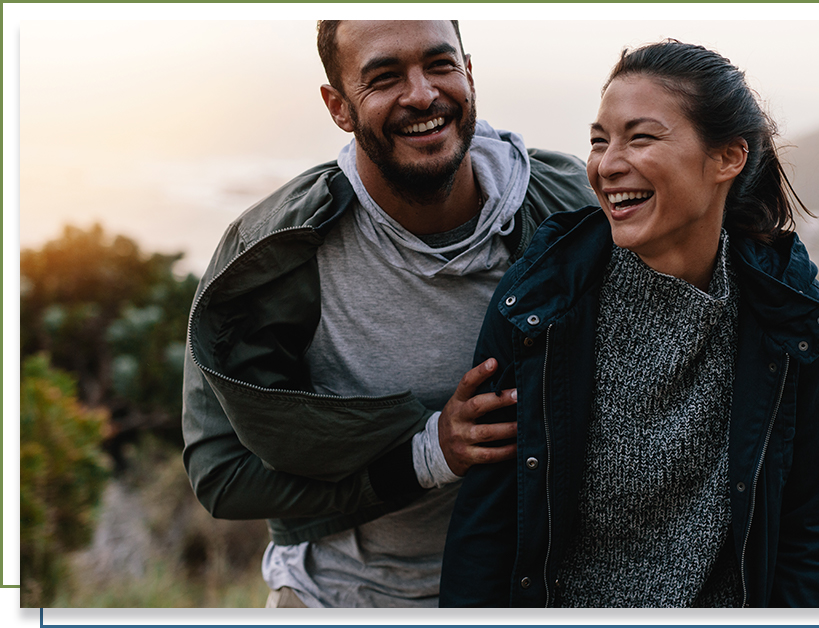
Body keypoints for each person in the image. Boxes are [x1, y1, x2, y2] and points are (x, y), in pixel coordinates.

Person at [181, 20, 596, 608]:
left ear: (470, 72)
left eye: (441, 64)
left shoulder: (568, 204)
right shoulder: (273, 251)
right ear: (339, 107)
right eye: (383, 77)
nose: (422, 94)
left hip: (537, 593)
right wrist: (427, 456)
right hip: (342, 597)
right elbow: (221, 475)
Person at [439, 40, 819, 608]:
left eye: (641, 137)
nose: (607, 164)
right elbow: (488, 532)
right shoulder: (541, 301)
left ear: (728, 158)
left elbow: (809, 534)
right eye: (599, 140)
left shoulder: (797, 321)